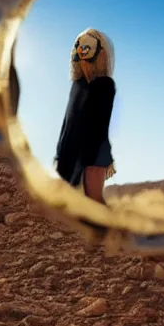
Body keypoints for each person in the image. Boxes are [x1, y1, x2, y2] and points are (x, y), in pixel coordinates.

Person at [53, 28, 117, 205]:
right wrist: (59, 154)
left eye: (87, 48)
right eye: (79, 47)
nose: (81, 51)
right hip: (70, 151)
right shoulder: (77, 85)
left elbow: (100, 125)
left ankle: (111, 231)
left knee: (94, 200)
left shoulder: (105, 85)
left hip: (94, 153)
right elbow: (68, 120)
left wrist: (102, 157)